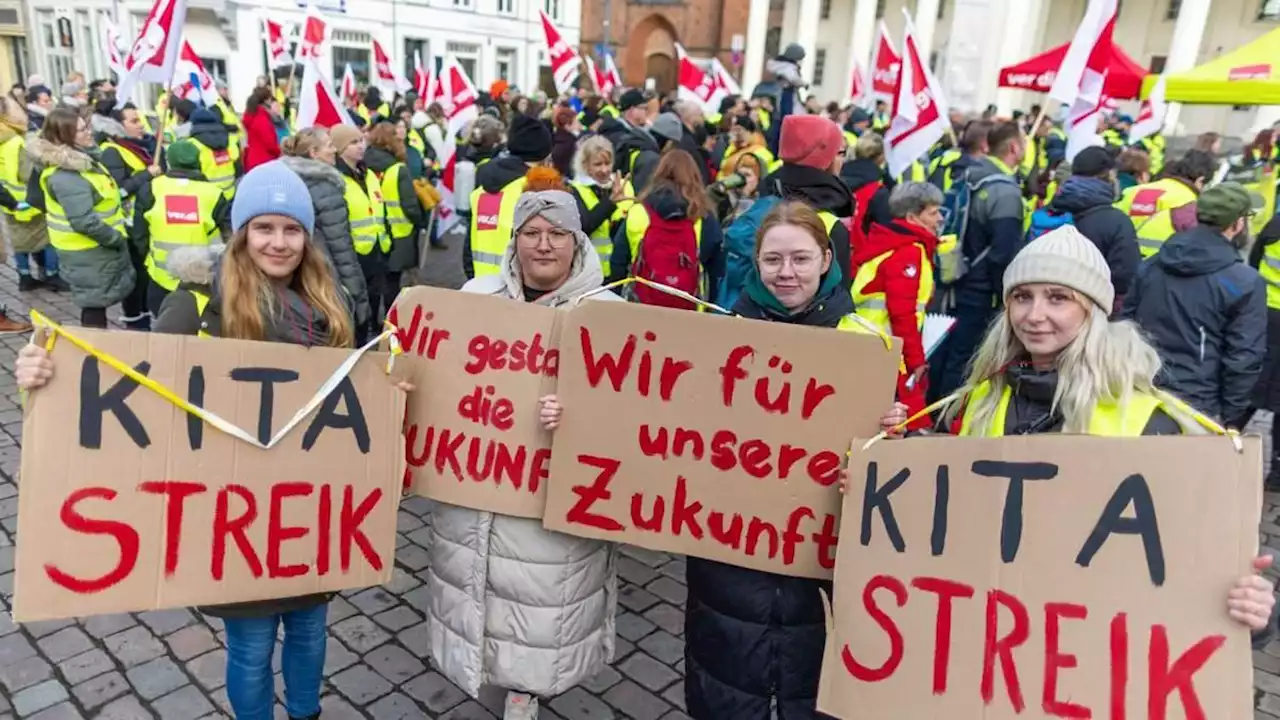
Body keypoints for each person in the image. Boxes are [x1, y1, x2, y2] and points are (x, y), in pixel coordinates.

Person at [15, 161, 410, 720]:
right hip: (237, 518)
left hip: (306, 514)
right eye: (264, 227)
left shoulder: (332, 302)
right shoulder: (199, 304)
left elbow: (351, 393)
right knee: (250, 649)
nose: (279, 242)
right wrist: (43, 379)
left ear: (308, 235)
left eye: (292, 229)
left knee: (310, 633)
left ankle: (306, 714)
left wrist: (391, 390)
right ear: (241, 232)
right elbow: (137, 389)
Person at [870, 228, 1276, 647]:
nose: (1034, 315)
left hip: (1081, 654)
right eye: (1022, 296)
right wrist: (888, 465)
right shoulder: (979, 399)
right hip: (983, 639)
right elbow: (941, 501)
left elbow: (1191, 562)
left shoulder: (1152, 421)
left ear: (1092, 310)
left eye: (1058, 297)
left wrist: (1254, 611)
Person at [428, 167, 619, 720]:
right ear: (513, 240)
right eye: (531, 232)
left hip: (547, 513)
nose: (543, 244)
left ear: (577, 241)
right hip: (477, 493)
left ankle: (524, 698)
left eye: (557, 233)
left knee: (535, 617)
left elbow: (631, 428)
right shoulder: (476, 299)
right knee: (479, 605)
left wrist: (580, 417)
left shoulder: (605, 316)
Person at [686, 200, 865, 720]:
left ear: (827, 258)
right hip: (730, 552)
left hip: (819, 559)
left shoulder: (865, 344)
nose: (787, 273)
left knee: (808, 685)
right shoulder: (719, 335)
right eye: (773, 260)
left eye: (801, 259)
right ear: (755, 264)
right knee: (727, 678)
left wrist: (888, 436)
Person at [1122, 183, 1266, 428]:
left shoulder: (1154, 264)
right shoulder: (1244, 281)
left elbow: (1124, 325)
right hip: (1199, 405)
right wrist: (1231, 417)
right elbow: (1243, 356)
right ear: (1238, 224)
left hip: (1143, 394)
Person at [929, 120, 1026, 402]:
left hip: (955, 276)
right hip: (981, 286)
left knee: (948, 349)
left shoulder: (968, 175)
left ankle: (931, 406)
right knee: (968, 355)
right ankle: (946, 416)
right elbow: (1003, 251)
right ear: (1013, 148)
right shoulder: (1005, 190)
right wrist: (1005, 295)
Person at [26, 108, 133, 328]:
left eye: (87, 127)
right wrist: (114, 238)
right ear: (65, 136)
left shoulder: (80, 161)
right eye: (81, 130)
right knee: (94, 306)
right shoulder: (67, 175)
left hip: (90, 249)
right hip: (88, 249)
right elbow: (83, 220)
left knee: (96, 302)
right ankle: (93, 353)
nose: (89, 133)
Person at [852, 182, 943, 428]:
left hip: (871, 345)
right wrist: (916, 362)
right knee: (907, 425)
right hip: (886, 348)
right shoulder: (909, 252)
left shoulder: (890, 244)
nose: (940, 219)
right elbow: (902, 314)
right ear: (913, 217)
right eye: (933, 213)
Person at [280, 128, 372, 334]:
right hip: (324, 282)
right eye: (329, 146)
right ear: (314, 153)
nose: (334, 151)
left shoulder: (286, 180)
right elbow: (341, 249)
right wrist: (358, 298)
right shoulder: (326, 187)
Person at [130, 139, 230, 316]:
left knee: (163, 327)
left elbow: (139, 233)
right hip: (202, 279)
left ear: (169, 161)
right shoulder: (214, 193)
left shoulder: (151, 189)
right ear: (197, 161)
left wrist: (147, 255)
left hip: (160, 276)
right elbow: (228, 235)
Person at [609, 149, 724, 299]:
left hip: (641, 310)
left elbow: (618, 263)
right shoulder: (703, 216)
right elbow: (717, 271)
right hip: (689, 311)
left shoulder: (638, 212)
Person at [760, 114, 855, 289]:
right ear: (827, 159)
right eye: (840, 153)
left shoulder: (761, 203)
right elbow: (838, 300)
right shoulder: (829, 225)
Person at [1040, 146, 1138, 314]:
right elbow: (1126, 277)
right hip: (1091, 313)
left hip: (1042, 305)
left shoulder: (1048, 210)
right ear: (1107, 175)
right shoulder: (1116, 221)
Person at [92, 99, 158, 328]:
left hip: (145, 218)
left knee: (146, 271)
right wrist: (147, 176)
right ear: (118, 126)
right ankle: (135, 319)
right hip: (129, 224)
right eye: (134, 121)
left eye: (140, 119)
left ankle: (145, 313)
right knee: (136, 274)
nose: (141, 125)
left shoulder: (139, 146)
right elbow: (118, 191)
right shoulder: (111, 152)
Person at [467, 114, 553, 279]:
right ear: (545, 155)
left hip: (482, 284)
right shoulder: (532, 191)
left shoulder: (482, 189)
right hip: (519, 289)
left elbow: (467, 249)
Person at [329, 124, 389, 332]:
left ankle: (373, 327)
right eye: (353, 143)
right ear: (340, 148)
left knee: (375, 296)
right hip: (355, 253)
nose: (360, 146)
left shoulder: (369, 174)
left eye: (361, 140)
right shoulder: (337, 179)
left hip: (377, 248)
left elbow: (381, 208)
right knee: (356, 304)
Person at [0, 97, 60, 304]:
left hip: (9, 199)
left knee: (19, 242)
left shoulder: (3, 140)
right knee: (48, 239)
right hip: (28, 199)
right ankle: (52, 274)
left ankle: (25, 276)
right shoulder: (17, 142)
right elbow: (27, 173)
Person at [1116, 149, 1216, 258]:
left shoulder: (1134, 191)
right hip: (1159, 266)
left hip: (1120, 260)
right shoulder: (1189, 202)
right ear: (1200, 180)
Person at [365, 120, 426, 294]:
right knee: (393, 282)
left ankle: (375, 319)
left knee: (375, 282)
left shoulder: (363, 165)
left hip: (372, 231)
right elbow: (410, 205)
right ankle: (390, 318)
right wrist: (419, 220)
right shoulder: (398, 169)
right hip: (399, 232)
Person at [569, 135, 629, 277]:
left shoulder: (624, 186)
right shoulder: (574, 190)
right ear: (585, 165)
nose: (604, 170)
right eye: (597, 164)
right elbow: (584, 225)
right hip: (587, 272)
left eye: (607, 163)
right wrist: (610, 202)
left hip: (618, 271)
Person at [1250, 214, 1280, 488]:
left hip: (1267, 314)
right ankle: (1277, 476)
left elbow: (1254, 260)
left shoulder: (1276, 224)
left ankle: (1224, 444)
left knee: (1251, 384)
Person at [600, 89, 661, 192]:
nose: (647, 112)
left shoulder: (629, 132)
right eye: (644, 108)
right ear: (632, 110)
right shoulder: (617, 135)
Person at [840, 132, 893, 247]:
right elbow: (885, 230)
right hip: (862, 256)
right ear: (881, 157)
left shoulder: (836, 180)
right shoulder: (878, 191)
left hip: (834, 249)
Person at [185, 106, 242, 201]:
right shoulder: (230, 140)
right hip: (229, 195)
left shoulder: (192, 144)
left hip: (205, 198)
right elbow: (238, 168)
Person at [718, 116, 773, 181]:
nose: (737, 134)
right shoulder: (732, 148)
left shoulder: (759, 151)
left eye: (739, 130)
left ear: (750, 131)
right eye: (734, 131)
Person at [243, 86, 282, 172]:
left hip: (253, 160)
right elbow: (270, 144)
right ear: (266, 100)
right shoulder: (262, 119)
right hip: (264, 162)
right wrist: (280, 152)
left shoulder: (251, 115)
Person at [549, 105, 579, 179]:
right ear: (567, 125)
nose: (578, 124)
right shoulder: (565, 145)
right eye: (576, 122)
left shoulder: (558, 139)